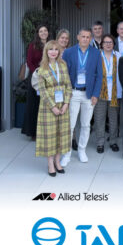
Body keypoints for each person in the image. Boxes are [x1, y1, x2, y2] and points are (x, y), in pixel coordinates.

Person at [61, 28, 102, 167]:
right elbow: (64, 74)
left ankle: (82, 150)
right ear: (78, 37)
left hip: (88, 94)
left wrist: (96, 94)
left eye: (88, 37)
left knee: (85, 124)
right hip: (73, 92)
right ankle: (66, 154)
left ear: (91, 39)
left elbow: (99, 75)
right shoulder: (69, 52)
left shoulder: (96, 53)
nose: (85, 39)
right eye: (83, 36)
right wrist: (66, 94)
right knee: (70, 125)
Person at [35, 40, 71, 176]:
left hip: (63, 105)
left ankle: (57, 161)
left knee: (60, 134)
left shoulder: (63, 65)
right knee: (50, 136)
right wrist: (53, 107)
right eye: (51, 49)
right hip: (48, 107)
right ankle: (50, 164)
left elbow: (68, 85)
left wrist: (66, 103)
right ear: (46, 51)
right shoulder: (42, 69)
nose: (53, 52)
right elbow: (42, 91)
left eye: (56, 49)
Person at [92, 34, 121, 154]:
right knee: (99, 119)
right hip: (100, 93)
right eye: (105, 42)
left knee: (114, 119)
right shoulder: (96, 56)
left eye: (110, 42)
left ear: (113, 44)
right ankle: (100, 143)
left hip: (115, 93)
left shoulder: (119, 56)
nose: (108, 44)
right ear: (101, 44)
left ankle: (113, 141)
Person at [22, 25, 50, 140]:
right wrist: (38, 73)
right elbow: (29, 62)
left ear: (48, 32)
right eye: (41, 31)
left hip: (48, 77)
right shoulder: (32, 45)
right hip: (35, 78)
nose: (43, 33)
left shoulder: (51, 45)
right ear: (38, 34)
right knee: (34, 105)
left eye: (45, 30)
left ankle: (45, 131)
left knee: (46, 105)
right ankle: (33, 132)